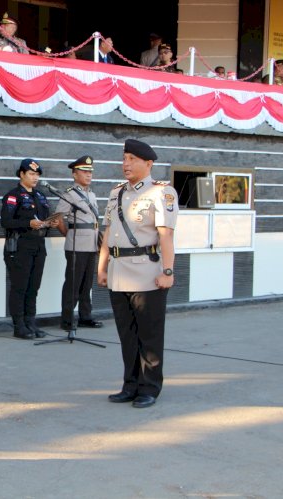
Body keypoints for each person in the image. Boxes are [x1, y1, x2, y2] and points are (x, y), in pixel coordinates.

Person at [97, 139, 178, 409]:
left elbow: (166, 236)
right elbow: (108, 233)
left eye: (132, 159)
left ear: (148, 163)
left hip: (147, 272)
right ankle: (130, 385)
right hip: (119, 272)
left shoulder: (161, 194)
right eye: (124, 158)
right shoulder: (116, 193)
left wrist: (168, 271)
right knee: (127, 335)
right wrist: (102, 266)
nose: (126, 164)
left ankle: (150, 387)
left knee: (149, 335)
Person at [1, 159, 51, 339]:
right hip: (20, 246)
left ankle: (31, 323)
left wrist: (49, 223)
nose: (35, 177)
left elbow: (44, 218)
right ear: (21, 174)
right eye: (31, 174)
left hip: (38, 246)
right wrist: (28, 223)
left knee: (33, 287)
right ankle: (19, 325)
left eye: (37, 174)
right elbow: (5, 222)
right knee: (19, 287)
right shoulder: (13, 196)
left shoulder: (41, 196)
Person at [53, 156, 104, 331]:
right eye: (84, 172)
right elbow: (58, 218)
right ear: (74, 175)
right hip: (76, 245)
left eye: (90, 172)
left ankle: (85, 316)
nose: (88, 175)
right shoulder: (70, 194)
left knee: (87, 284)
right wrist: (69, 235)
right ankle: (67, 320)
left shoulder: (92, 194)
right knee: (73, 284)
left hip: (91, 245)